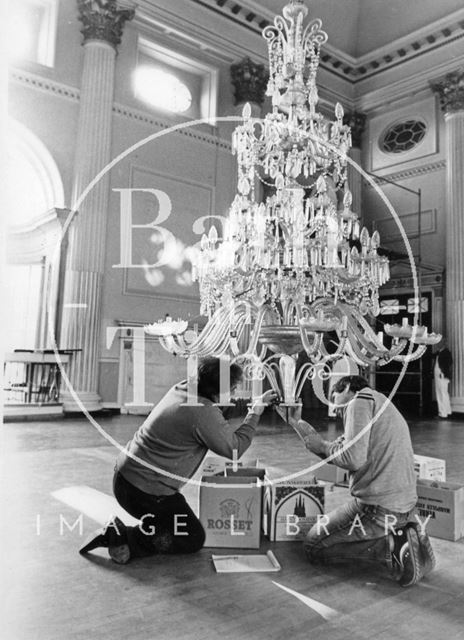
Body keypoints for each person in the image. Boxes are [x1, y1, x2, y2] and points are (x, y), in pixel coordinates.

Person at [80, 357, 277, 564]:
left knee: (173, 522)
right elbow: (234, 449)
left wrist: (255, 403)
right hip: (144, 493)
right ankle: (123, 537)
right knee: (191, 537)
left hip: (125, 479)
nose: (235, 393)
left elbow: (217, 413)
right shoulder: (202, 412)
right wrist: (255, 412)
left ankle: (136, 529)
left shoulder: (184, 389)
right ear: (219, 390)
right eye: (233, 388)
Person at [278, 375, 435, 587]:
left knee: (313, 546)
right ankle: (407, 535)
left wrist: (323, 446)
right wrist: (295, 422)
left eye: (335, 399)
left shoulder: (358, 401)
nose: (335, 408)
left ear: (349, 387)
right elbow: (334, 450)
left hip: (377, 508)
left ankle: (390, 548)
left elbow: (351, 458)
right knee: (326, 533)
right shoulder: (379, 403)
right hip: (404, 507)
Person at [434, 340, 453, 418]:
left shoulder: (446, 352)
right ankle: (447, 411)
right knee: (443, 393)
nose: (438, 344)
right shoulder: (440, 352)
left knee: (441, 394)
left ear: (444, 344)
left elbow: (448, 364)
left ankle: (442, 413)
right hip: (439, 375)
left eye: (439, 343)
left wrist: (443, 373)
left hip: (441, 375)